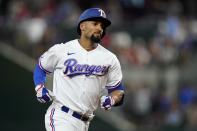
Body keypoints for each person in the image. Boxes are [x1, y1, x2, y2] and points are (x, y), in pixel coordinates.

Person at [33, 8, 125, 131]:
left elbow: (118, 91)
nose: (100, 28)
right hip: (61, 116)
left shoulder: (109, 58)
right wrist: (39, 87)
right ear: (82, 26)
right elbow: (41, 67)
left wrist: (112, 100)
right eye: (95, 24)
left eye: (102, 26)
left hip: (85, 123)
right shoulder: (62, 50)